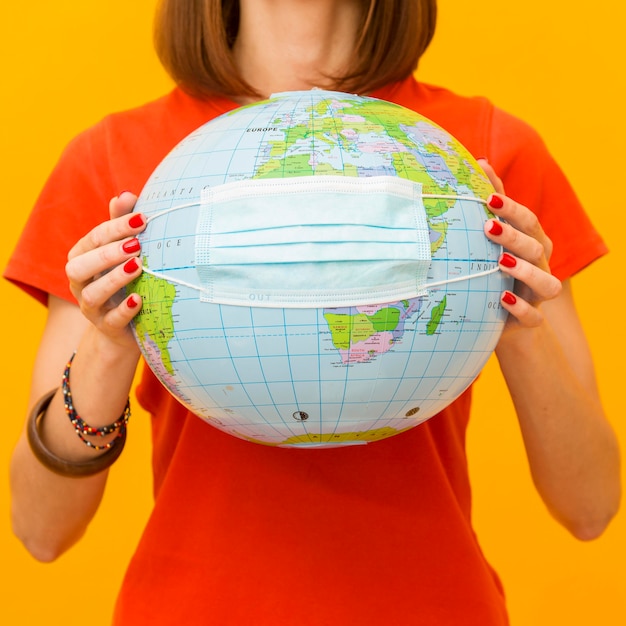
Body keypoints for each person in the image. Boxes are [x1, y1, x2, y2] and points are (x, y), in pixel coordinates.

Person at [4, 1, 621, 624]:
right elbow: (40, 529)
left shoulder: (480, 151)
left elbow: (590, 505)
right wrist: (109, 342)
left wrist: (519, 322)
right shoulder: (110, 159)